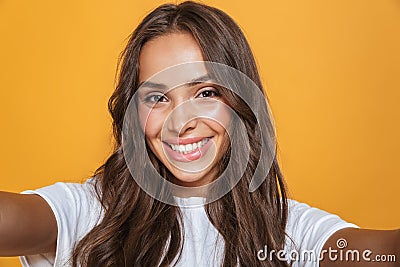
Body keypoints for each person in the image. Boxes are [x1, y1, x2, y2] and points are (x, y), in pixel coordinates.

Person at [0, 1, 398, 267]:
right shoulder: (89, 213)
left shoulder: (287, 231)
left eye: (206, 92)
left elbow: (382, 253)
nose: (179, 122)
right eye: (157, 97)